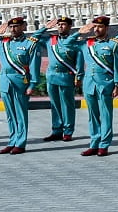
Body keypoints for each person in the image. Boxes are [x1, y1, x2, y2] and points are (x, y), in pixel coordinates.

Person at [0, 17, 42, 154]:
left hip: (21, 82)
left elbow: (34, 67)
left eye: (16, 27)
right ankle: (12, 140)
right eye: (11, 27)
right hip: (5, 81)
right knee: (10, 114)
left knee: (20, 113)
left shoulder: (30, 44)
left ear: (23, 27)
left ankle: (20, 143)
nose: (13, 29)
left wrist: (33, 85)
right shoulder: (2, 43)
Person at [79, 16, 118, 156]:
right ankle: (94, 142)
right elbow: (68, 44)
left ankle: (104, 144)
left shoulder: (114, 44)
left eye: (100, 27)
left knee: (105, 115)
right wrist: (80, 32)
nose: (97, 29)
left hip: (105, 83)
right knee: (92, 116)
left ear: (106, 28)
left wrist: (117, 84)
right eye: (95, 27)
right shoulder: (87, 44)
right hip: (89, 84)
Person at [41, 15, 86, 143]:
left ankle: (68, 131)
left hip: (66, 76)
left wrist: (79, 76)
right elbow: (34, 38)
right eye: (59, 24)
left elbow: (79, 61)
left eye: (64, 24)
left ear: (70, 26)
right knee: (54, 105)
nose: (60, 26)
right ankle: (56, 130)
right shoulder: (50, 40)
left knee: (67, 105)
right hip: (52, 76)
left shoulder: (75, 43)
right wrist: (45, 27)